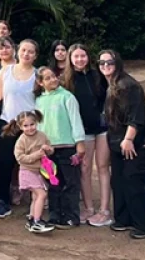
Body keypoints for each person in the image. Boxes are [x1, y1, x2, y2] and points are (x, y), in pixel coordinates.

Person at [100, 49, 145, 240]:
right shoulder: (110, 85)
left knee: (133, 179)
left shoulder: (128, 86)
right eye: (102, 62)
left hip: (143, 142)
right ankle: (124, 218)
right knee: (119, 179)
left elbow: (136, 117)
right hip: (119, 142)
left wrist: (128, 139)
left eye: (110, 62)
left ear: (118, 63)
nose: (106, 66)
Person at [0, 37, 38, 219]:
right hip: (8, 124)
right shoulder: (6, 70)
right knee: (5, 163)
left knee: (32, 163)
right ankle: (3, 200)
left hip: (30, 127)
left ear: (35, 56)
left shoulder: (37, 75)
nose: (26, 54)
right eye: (24, 50)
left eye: (31, 51)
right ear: (18, 51)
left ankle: (37, 201)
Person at [64, 44, 112, 227]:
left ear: (88, 57)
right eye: (76, 56)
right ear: (70, 59)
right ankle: (88, 208)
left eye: (83, 56)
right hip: (82, 131)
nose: (80, 60)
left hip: (102, 127)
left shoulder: (97, 75)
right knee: (84, 169)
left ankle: (105, 210)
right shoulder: (66, 80)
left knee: (102, 167)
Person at [34, 65, 86, 228]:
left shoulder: (67, 97)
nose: (53, 80)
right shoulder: (39, 101)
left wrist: (80, 143)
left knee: (71, 183)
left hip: (67, 147)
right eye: (48, 78)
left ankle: (71, 216)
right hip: (49, 150)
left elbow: (75, 121)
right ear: (40, 82)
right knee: (53, 183)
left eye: (54, 76)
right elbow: (39, 125)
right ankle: (55, 215)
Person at [7, 110, 56, 234]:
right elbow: (20, 158)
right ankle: (37, 221)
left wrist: (48, 149)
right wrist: (36, 155)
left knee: (35, 196)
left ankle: (32, 218)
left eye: (32, 124)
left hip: (39, 171)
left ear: (36, 123)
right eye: (26, 125)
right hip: (26, 171)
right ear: (20, 126)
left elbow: (50, 150)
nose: (30, 128)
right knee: (42, 194)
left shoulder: (42, 135)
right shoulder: (21, 141)